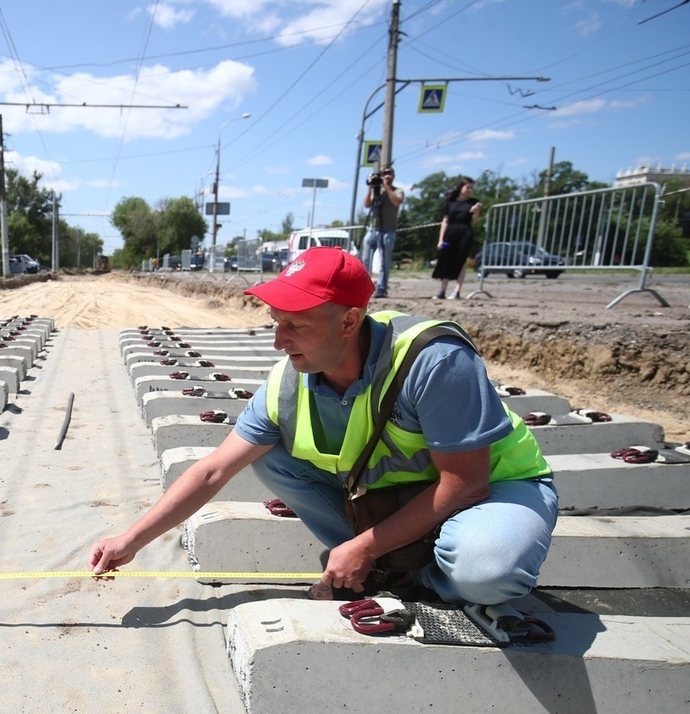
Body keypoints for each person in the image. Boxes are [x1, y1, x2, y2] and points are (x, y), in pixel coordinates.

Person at [88, 247, 558, 605]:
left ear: (350, 322)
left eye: (296, 325)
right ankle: (388, 564)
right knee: (269, 452)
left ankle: (424, 578)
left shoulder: (433, 361)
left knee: (485, 569)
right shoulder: (288, 386)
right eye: (275, 322)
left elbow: (466, 485)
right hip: (410, 492)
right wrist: (131, 539)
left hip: (492, 486)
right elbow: (213, 471)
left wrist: (365, 545)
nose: (278, 341)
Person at [432, 177, 481, 300]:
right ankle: (442, 290)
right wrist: (440, 239)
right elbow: (445, 221)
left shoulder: (473, 202)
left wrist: (475, 212)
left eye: (471, 188)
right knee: (446, 260)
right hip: (450, 232)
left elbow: (474, 221)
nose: (470, 190)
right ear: (461, 187)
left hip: (465, 232)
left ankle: (457, 291)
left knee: (461, 261)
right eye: (467, 187)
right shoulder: (450, 203)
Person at [361, 165, 404, 299]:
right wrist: (371, 186)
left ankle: (381, 288)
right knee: (365, 260)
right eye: (384, 174)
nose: (386, 176)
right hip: (373, 229)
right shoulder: (376, 191)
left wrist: (387, 187)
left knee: (384, 262)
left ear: (393, 176)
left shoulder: (398, 190)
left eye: (389, 173)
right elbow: (367, 204)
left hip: (388, 231)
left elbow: (397, 202)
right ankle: (364, 287)